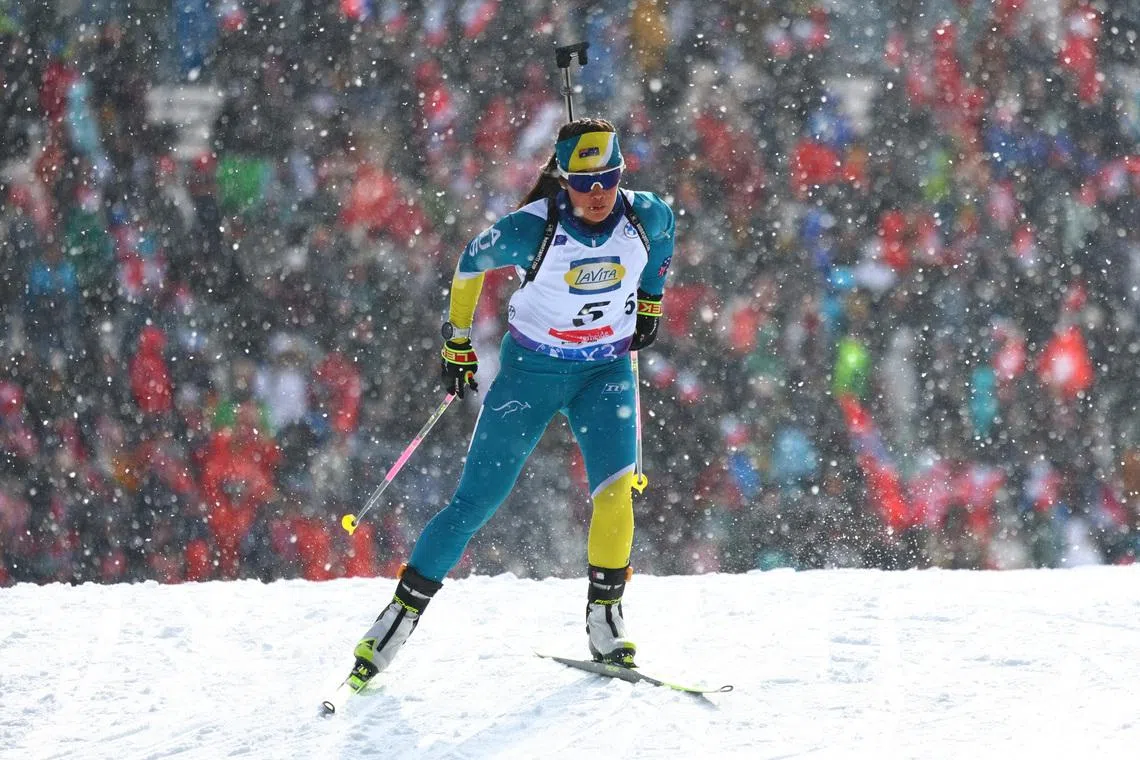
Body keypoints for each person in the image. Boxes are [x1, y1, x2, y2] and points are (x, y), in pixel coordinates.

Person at [344, 118, 675, 690]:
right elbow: (468, 266)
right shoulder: (532, 228)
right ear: (563, 179)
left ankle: (605, 620)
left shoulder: (647, 216)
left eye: (609, 179)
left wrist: (650, 304)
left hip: (606, 371)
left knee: (617, 491)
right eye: (584, 182)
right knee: (475, 502)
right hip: (533, 374)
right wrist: (457, 340)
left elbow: (663, 247)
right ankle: (396, 620)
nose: (598, 194)